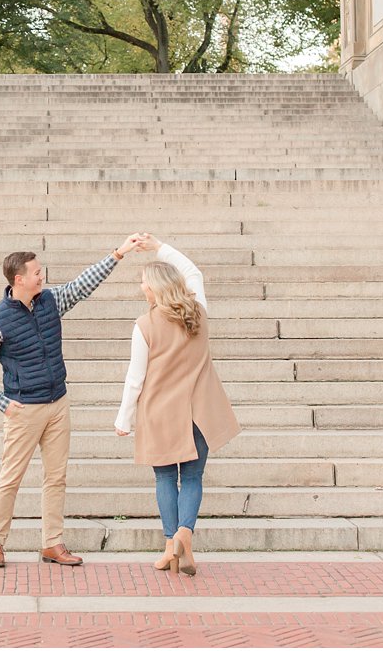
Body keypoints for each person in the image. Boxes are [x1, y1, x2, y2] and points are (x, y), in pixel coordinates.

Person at [0, 233, 146, 568]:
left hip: (57, 403)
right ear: (19, 279)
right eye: (36, 272)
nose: (43, 276)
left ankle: (52, 543)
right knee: (11, 477)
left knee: (56, 477)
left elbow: (83, 284)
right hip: (23, 408)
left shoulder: (50, 300)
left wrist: (119, 253)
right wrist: (1, 402)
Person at [114, 234, 240, 576]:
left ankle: (172, 541)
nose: (141, 287)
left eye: (143, 282)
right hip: (200, 410)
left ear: (153, 289)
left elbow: (135, 377)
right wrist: (158, 247)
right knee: (194, 477)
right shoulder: (198, 310)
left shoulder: (145, 325)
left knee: (166, 478)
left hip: (161, 413)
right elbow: (192, 270)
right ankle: (186, 535)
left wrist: (124, 417)